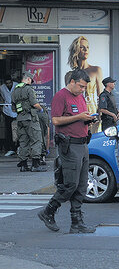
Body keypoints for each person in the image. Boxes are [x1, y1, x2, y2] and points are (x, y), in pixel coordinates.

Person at [37, 69, 97, 233]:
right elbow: (55, 120)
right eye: (80, 86)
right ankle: (48, 211)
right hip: (69, 146)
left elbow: (79, 117)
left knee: (82, 185)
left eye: (84, 87)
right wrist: (79, 117)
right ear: (72, 82)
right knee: (70, 184)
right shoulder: (61, 96)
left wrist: (88, 120)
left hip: (83, 144)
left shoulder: (80, 96)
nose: (82, 90)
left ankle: (76, 222)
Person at [67, 36, 103, 134]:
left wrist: (99, 115)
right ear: (76, 50)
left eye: (87, 47)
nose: (86, 49)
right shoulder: (70, 75)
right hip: (77, 115)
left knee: (93, 142)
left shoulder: (96, 70)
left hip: (93, 114)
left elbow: (101, 95)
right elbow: (69, 98)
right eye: (82, 47)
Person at [11, 71, 45, 172]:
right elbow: (34, 103)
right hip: (30, 119)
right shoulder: (29, 89)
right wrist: (40, 109)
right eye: (31, 81)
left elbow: (13, 108)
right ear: (29, 79)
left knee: (23, 142)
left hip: (20, 119)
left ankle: (23, 165)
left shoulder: (15, 91)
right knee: (36, 140)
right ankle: (35, 165)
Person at [0, 76, 17, 156]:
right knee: (9, 131)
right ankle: (10, 148)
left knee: (18, 130)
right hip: (7, 111)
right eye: (7, 83)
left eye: (10, 83)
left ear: (12, 81)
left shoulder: (17, 85)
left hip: (16, 111)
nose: (8, 84)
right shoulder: (2, 88)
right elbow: (3, 97)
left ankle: (18, 148)